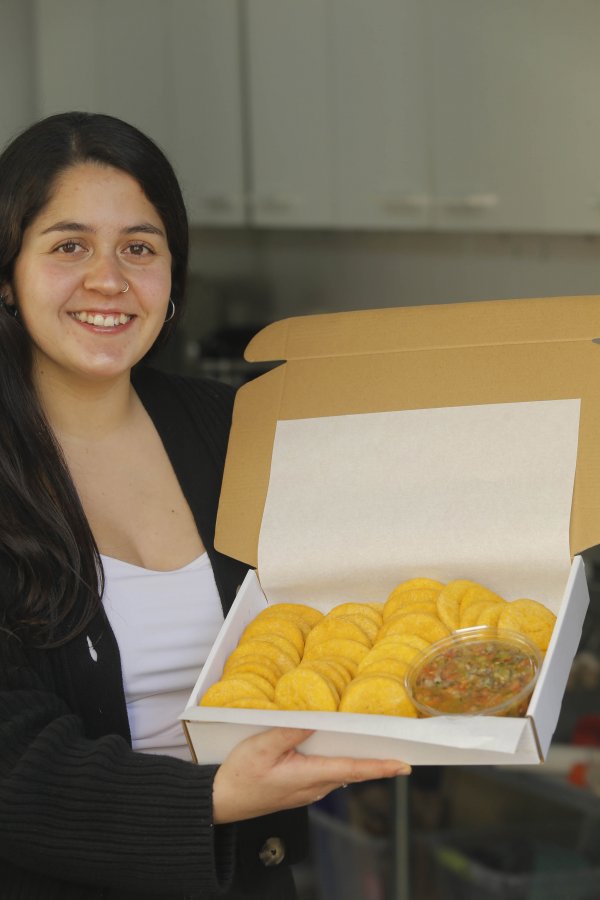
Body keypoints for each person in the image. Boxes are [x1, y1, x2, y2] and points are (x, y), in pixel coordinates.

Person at [0, 111, 410, 899]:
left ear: (173, 277)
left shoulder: (234, 429)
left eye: (140, 248)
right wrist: (210, 799)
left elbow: (334, 610)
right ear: (8, 273)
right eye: (68, 245)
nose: (109, 280)